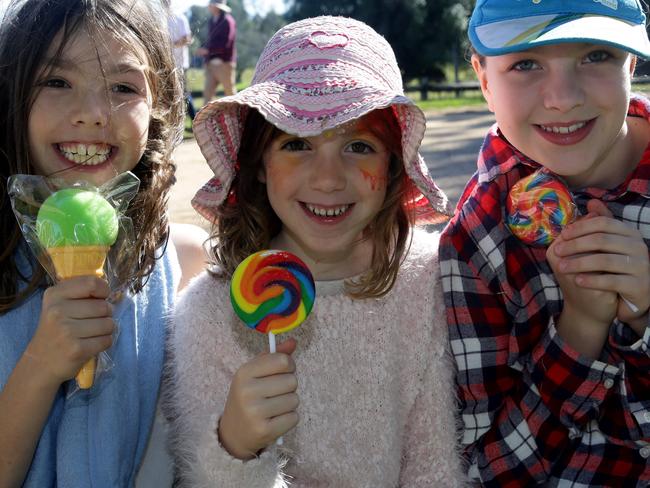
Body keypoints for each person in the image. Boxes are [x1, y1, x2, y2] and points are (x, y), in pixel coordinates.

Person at [163, 15, 468, 487]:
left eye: (360, 146)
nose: (328, 179)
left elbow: (434, 469)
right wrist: (236, 448)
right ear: (258, 163)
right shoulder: (208, 314)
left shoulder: (427, 280)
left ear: (392, 166)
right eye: (297, 143)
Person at [440, 0, 650, 485]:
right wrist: (580, 328)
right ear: (484, 78)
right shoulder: (476, 239)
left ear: (631, 62)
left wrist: (643, 317)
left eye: (596, 55)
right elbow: (492, 470)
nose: (562, 98)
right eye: (526, 64)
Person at [0, 0, 206, 486]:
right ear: (9, 94)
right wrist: (41, 365)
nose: (93, 114)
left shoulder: (186, 266)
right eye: (56, 81)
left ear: (158, 106)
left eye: (122, 87)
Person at [196, 0, 236, 104]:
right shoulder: (211, 21)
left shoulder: (228, 21)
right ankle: (207, 120)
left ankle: (241, 119)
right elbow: (210, 41)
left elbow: (226, 43)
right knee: (207, 97)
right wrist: (205, 54)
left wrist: (207, 51)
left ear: (217, 7)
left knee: (231, 95)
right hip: (211, 65)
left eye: (211, 5)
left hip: (224, 64)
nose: (209, 7)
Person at [165, 0, 197, 120]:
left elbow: (187, 38)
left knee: (183, 94)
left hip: (179, 64)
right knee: (170, 95)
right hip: (165, 63)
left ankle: (194, 120)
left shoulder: (180, 18)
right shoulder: (160, 19)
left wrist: (171, 45)